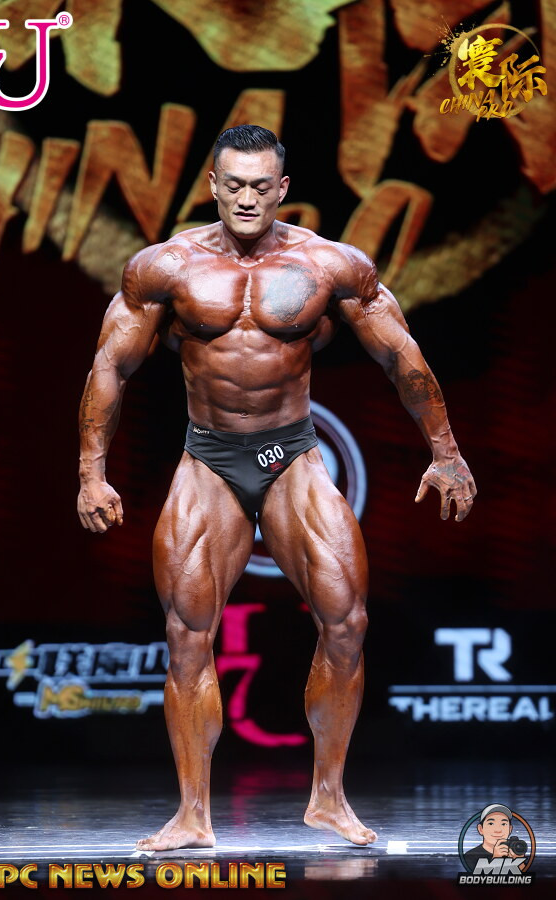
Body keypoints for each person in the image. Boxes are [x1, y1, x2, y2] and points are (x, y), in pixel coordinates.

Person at [77, 125, 476, 851]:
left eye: (261, 186)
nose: (247, 198)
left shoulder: (329, 264)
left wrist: (445, 452)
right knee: (187, 635)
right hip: (209, 458)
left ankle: (328, 797)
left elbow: (401, 356)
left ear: (282, 188)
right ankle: (192, 814)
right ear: (212, 184)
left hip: (290, 454)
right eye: (234, 184)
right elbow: (112, 365)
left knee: (347, 622)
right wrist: (90, 472)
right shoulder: (165, 267)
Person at [464, 805, 526, 871]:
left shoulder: (516, 851)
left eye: (503, 824)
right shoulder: (470, 856)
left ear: (510, 829)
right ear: (480, 829)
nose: (498, 830)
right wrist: (495, 859)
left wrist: (519, 861)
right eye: (491, 823)